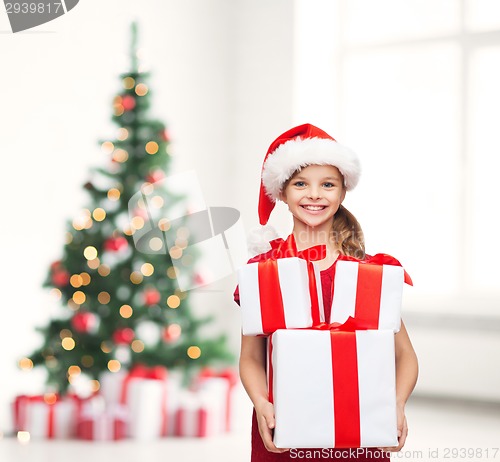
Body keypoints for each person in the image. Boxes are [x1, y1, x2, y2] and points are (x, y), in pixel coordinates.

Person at [234, 123, 419, 461]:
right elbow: (251, 357)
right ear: (282, 193)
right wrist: (262, 403)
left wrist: (396, 404)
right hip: (284, 433)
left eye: (328, 185)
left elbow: (405, 354)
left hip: (359, 433)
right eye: (301, 184)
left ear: (342, 192)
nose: (315, 195)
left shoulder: (368, 273)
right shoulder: (265, 271)